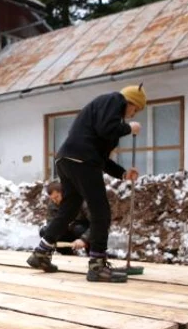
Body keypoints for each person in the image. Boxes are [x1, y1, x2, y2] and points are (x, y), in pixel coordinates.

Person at [27, 85, 145, 282]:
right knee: (100, 211)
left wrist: (123, 174)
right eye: (135, 109)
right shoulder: (114, 100)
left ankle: (41, 252)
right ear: (130, 102)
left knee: (69, 209)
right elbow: (107, 130)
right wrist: (128, 128)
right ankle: (97, 265)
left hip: (67, 159)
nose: (133, 114)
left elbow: (102, 159)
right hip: (82, 160)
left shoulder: (107, 116)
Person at [40, 182, 90, 255]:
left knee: (78, 229)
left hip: (83, 230)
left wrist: (84, 239)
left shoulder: (81, 200)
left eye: (57, 197)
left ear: (64, 193)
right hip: (67, 230)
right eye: (52, 199)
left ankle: (93, 253)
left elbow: (97, 224)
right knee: (45, 231)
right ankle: (66, 252)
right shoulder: (53, 204)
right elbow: (51, 223)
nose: (55, 201)